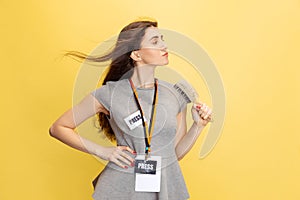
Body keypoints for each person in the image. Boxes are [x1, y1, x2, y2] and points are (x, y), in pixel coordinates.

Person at [49, 19, 212, 200]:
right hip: (121, 188)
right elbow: (58, 128)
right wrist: (102, 151)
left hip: (165, 189)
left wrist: (198, 126)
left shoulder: (175, 95)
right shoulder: (109, 94)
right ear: (136, 55)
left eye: (162, 39)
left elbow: (174, 155)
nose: (164, 45)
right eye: (155, 41)